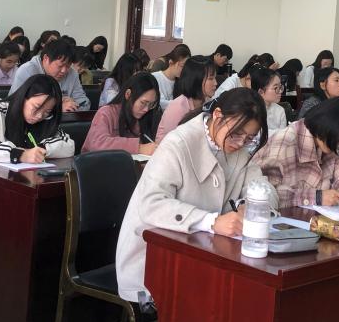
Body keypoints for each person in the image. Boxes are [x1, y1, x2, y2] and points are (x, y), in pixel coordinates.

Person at [115, 88, 272, 304]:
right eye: (236, 134)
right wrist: (211, 222)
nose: (240, 143)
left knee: (248, 295)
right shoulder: (178, 143)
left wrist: (251, 206)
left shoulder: (241, 150)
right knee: (225, 299)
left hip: (206, 254)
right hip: (154, 258)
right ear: (217, 115)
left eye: (249, 138)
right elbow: (151, 204)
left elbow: (262, 187)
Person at [255, 96, 339, 211]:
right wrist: (317, 197)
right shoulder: (285, 142)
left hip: (307, 219)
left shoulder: (326, 145)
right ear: (330, 125)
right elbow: (265, 194)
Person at [0, 74, 74, 174]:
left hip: (20, 180)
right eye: (36, 107)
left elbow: (68, 145)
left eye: (47, 111)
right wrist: (19, 154)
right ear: (24, 97)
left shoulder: (47, 119)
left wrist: (39, 150)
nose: (40, 115)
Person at [83, 72, 161, 154]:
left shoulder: (145, 117)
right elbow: (98, 144)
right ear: (128, 94)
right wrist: (139, 148)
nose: (146, 109)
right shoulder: (106, 113)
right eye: (143, 103)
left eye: (151, 104)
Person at [11, 39, 89, 111]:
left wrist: (73, 105)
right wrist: (58, 107)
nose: (64, 71)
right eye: (60, 66)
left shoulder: (72, 73)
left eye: (68, 66)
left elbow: (85, 103)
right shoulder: (27, 71)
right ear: (46, 59)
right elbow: (16, 104)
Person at [156, 56, 218, 143]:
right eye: (210, 79)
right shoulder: (178, 107)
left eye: (215, 78)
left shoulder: (207, 102)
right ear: (196, 80)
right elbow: (170, 142)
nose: (215, 83)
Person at [152, 44, 192, 110]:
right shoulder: (155, 77)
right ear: (171, 63)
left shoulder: (182, 81)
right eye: (182, 66)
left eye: (186, 67)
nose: (183, 70)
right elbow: (159, 102)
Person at [252, 66, 288, 133]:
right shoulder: (249, 111)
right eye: (276, 88)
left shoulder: (280, 110)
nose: (280, 91)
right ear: (261, 92)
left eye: (280, 87)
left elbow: (282, 136)